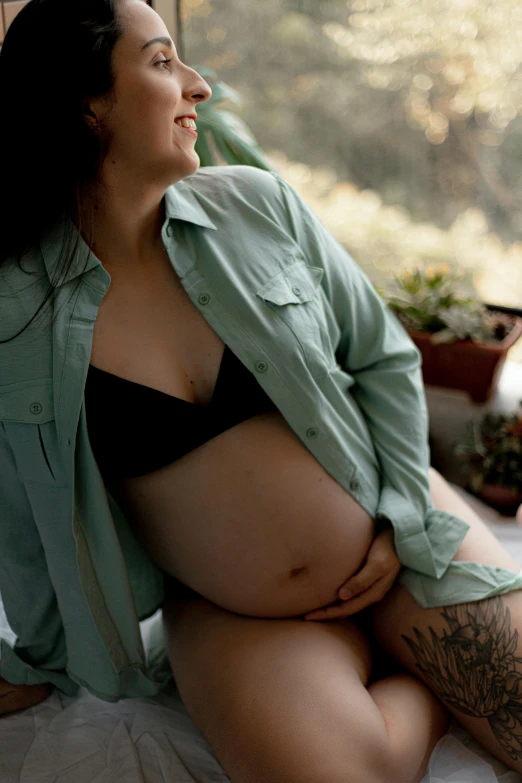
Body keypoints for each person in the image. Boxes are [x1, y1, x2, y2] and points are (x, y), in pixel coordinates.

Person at [1, 1, 522, 781]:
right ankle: (418, 682)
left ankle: (405, 646)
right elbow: (23, 511)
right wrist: (39, 656)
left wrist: (402, 517)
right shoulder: (17, 313)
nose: (198, 85)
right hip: (234, 611)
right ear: (87, 102)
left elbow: (382, 357)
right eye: (163, 61)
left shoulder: (256, 205)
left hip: (400, 538)